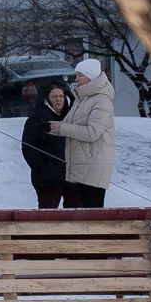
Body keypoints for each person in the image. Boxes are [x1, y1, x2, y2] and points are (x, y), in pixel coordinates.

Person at [49, 56, 115, 208]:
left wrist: (61, 128)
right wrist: (50, 128)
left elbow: (92, 132)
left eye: (80, 75)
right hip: (81, 168)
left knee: (91, 213)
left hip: (93, 169)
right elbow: (70, 126)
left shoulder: (101, 100)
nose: (76, 79)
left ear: (90, 76)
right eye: (76, 75)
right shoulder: (82, 98)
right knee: (78, 214)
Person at [20, 79, 73, 209]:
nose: (58, 99)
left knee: (75, 211)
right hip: (47, 178)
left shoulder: (72, 117)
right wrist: (41, 167)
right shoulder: (36, 118)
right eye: (54, 97)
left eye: (61, 96)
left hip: (73, 176)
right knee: (48, 212)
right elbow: (28, 146)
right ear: (47, 99)